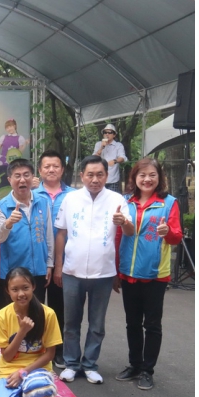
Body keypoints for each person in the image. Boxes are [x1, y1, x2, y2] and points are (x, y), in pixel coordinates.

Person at [53, 155, 130, 384]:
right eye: (90, 174)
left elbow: (130, 232)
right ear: (81, 176)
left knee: (97, 324)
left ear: (107, 176)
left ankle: (90, 365)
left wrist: (123, 222)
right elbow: (61, 233)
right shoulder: (71, 199)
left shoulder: (117, 199)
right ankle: (71, 363)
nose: (95, 179)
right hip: (72, 271)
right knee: (71, 322)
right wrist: (58, 266)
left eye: (100, 175)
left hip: (103, 274)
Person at [113, 158, 183, 391]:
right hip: (128, 273)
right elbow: (118, 236)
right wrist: (115, 269)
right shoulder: (125, 202)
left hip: (155, 275)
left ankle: (147, 370)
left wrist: (168, 231)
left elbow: (176, 236)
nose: (147, 179)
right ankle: (134, 364)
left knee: (152, 324)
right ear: (134, 178)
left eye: (152, 174)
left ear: (159, 177)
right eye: (142, 175)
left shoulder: (169, 203)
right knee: (132, 323)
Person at [0, 268, 61, 397]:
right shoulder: (2, 316)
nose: (21, 293)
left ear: (33, 286)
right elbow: (6, 357)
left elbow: (50, 354)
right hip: (9, 370)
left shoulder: (48, 314)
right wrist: (21, 332)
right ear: (8, 291)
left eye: (25, 288)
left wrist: (24, 372)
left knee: (41, 387)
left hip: (36, 370)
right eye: (15, 289)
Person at [0, 158, 54, 311]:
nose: (22, 180)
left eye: (26, 175)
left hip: (38, 271)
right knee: (10, 320)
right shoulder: (2, 206)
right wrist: (8, 224)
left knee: (36, 317)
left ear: (33, 177)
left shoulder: (43, 202)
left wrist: (49, 264)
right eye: (17, 176)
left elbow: (49, 236)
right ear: (9, 179)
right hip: (12, 274)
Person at [33, 150, 74, 369]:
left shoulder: (74, 195)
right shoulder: (31, 194)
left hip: (67, 262)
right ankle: (37, 348)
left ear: (62, 169)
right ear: (40, 170)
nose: (51, 169)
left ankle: (58, 350)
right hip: (37, 262)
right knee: (36, 307)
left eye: (55, 166)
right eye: (47, 166)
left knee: (59, 308)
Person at [92, 123, 127, 193]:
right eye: (105, 132)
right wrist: (102, 147)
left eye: (110, 132)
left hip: (113, 179)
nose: (107, 134)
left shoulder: (118, 145)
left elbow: (123, 158)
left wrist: (115, 161)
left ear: (114, 135)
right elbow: (93, 158)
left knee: (113, 201)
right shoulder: (98, 144)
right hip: (100, 178)